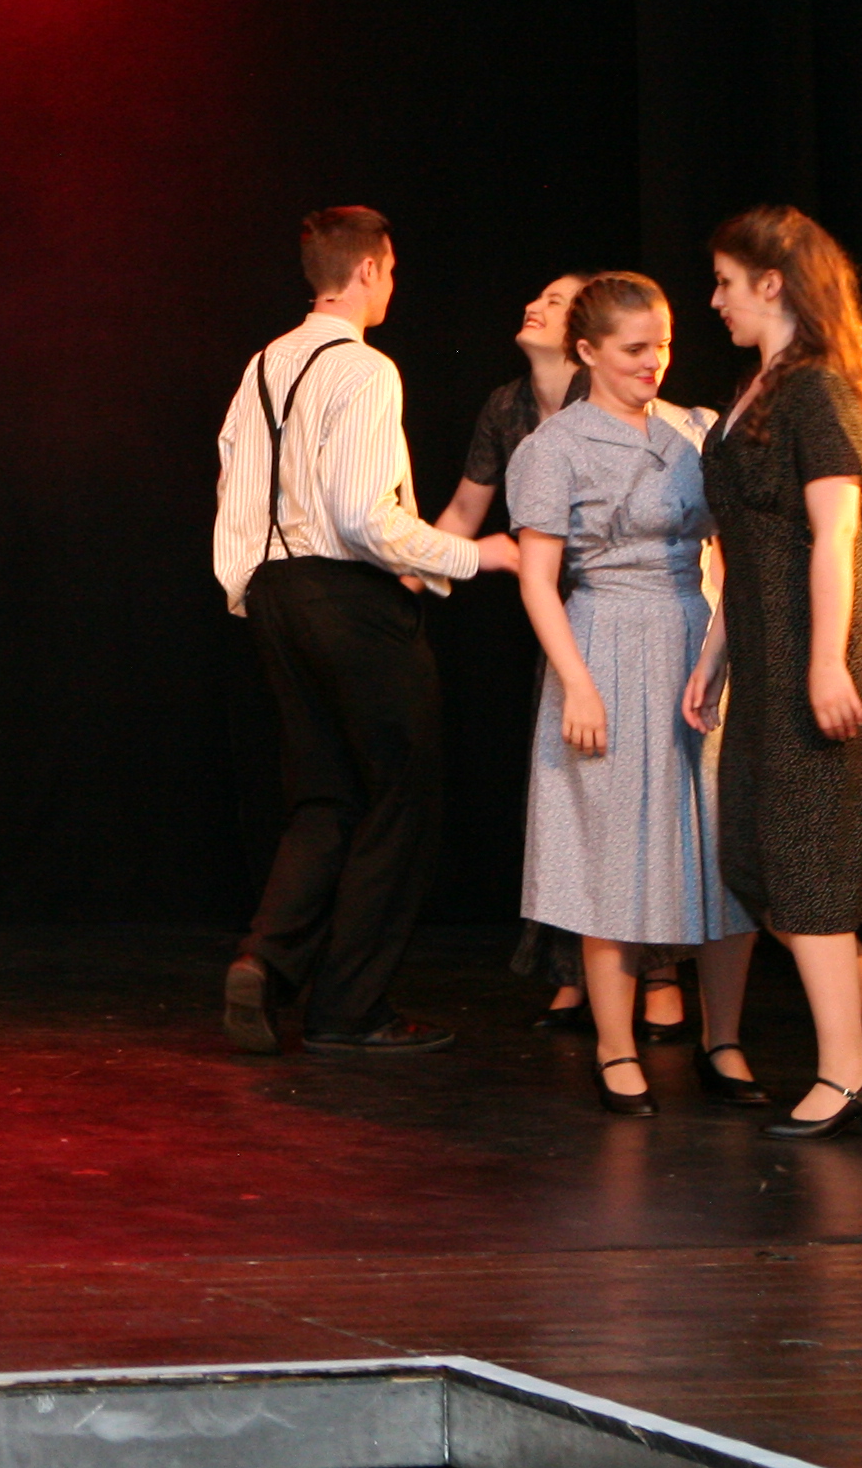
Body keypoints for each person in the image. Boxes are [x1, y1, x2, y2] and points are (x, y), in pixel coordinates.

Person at [210, 206, 524, 1058]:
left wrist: (252, 589)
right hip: (346, 598)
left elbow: (236, 488)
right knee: (401, 796)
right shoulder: (366, 368)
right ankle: (349, 1008)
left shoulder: (264, 362)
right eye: (390, 271)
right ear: (369, 271)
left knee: (325, 795)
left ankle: (266, 961)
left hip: (274, 595)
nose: (392, 285)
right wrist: (473, 554)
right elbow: (360, 515)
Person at [687, 203, 862, 1140]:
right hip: (766, 645)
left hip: (826, 642)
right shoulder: (758, 388)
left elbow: (835, 535)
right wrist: (716, 654)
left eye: (725, 282)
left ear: (773, 282)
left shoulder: (817, 390)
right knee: (755, 856)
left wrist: (825, 663)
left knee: (806, 855)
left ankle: (847, 1072)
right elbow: (745, 548)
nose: (715, 300)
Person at [505, 273, 758, 1117]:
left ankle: (724, 1041)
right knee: (607, 849)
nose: (655, 363)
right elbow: (538, 580)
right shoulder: (555, 446)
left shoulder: (696, 432)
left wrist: (718, 649)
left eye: (665, 347)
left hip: (693, 641)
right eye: (635, 350)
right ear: (587, 351)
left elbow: (731, 553)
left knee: (718, 842)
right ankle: (616, 1048)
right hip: (603, 643)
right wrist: (577, 683)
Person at [428, 270, 678, 1042]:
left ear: (583, 336)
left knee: (644, 803)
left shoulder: (617, 402)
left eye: (555, 299)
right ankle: (576, 974)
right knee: (580, 802)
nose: (533, 305)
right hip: (567, 617)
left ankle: (660, 977)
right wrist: (404, 567)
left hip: (637, 614)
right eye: (534, 295)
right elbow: (465, 510)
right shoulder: (508, 407)